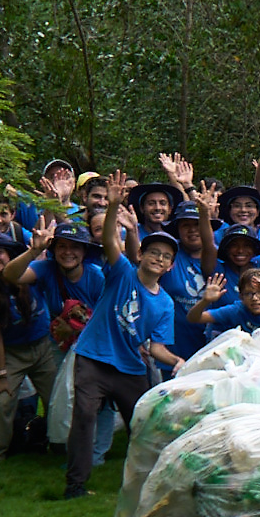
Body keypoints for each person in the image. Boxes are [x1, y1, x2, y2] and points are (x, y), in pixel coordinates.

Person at [63, 180, 183, 498]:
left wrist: (176, 360)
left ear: (170, 265)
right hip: (93, 357)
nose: (158, 258)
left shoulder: (165, 303)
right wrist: (113, 206)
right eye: (153, 252)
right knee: (85, 416)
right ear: (141, 254)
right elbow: (107, 241)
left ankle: (148, 484)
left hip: (130, 368)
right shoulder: (122, 272)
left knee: (142, 425)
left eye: (165, 256)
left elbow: (156, 347)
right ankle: (75, 485)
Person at [0, 230, 57, 461]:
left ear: (10, 255)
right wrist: (2, 374)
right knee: (3, 403)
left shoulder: (31, 277)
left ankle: (60, 446)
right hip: (13, 354)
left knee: (57, 400)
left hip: (44, 347)